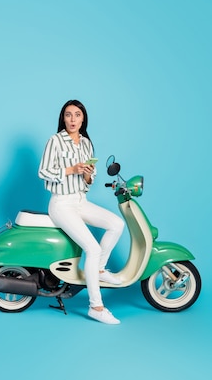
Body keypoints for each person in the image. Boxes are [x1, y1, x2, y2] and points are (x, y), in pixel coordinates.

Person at [38, 99, 125, 325]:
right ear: (63, 118)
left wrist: (86, 173)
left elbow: (88, 181)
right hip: (61, 203)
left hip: (80, 200)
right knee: (92, 248)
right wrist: (72, 169)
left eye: (77, 115)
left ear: (83, 118)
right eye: (68, 115)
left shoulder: (86, 143)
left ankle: (98, 269)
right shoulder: (55, 141)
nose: (73, 119)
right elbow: (43, 171)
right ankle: (96, 306)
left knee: (117, 224)